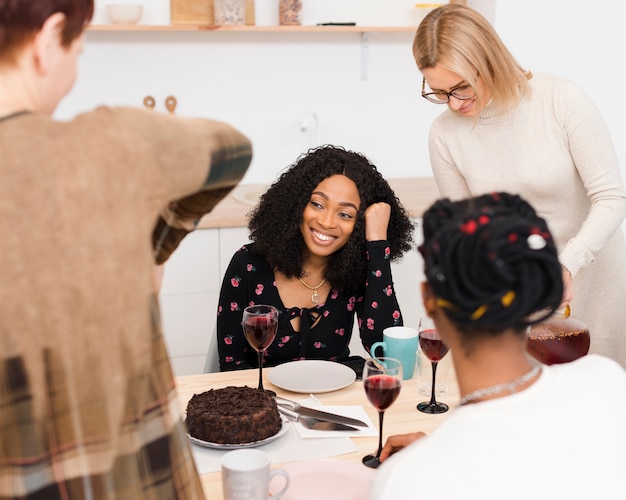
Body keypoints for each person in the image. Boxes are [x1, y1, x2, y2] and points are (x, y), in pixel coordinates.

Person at [0, 1, 252, 498]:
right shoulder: (112, 144)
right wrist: (155, 250)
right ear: (49, 41)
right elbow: (231, 150)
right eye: (79, 48)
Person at [371, 192, 626, 499]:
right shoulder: (606, 379)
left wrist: (428, 460)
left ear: (429, 299)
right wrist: (435, 450)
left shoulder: (405, 481)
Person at [412, 3, 626, 365]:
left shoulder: (560, 100)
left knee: (597, 405)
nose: (453, 103)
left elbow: (611, 197)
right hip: (517, 293)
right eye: (439, 92)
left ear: (490, 59)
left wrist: (567, 265)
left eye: (461, 87)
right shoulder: (444, 134)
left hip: (592, 277)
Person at [217, 145, 414, 371]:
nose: (327, 222)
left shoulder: (356, 269)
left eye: (345, 214)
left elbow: (388, 355)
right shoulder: (248, 264)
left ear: (358, 226)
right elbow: (232, 367)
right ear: (296, 204)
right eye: (317, 204)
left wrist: (378, 245)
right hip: (261, 400)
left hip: (335, 402)